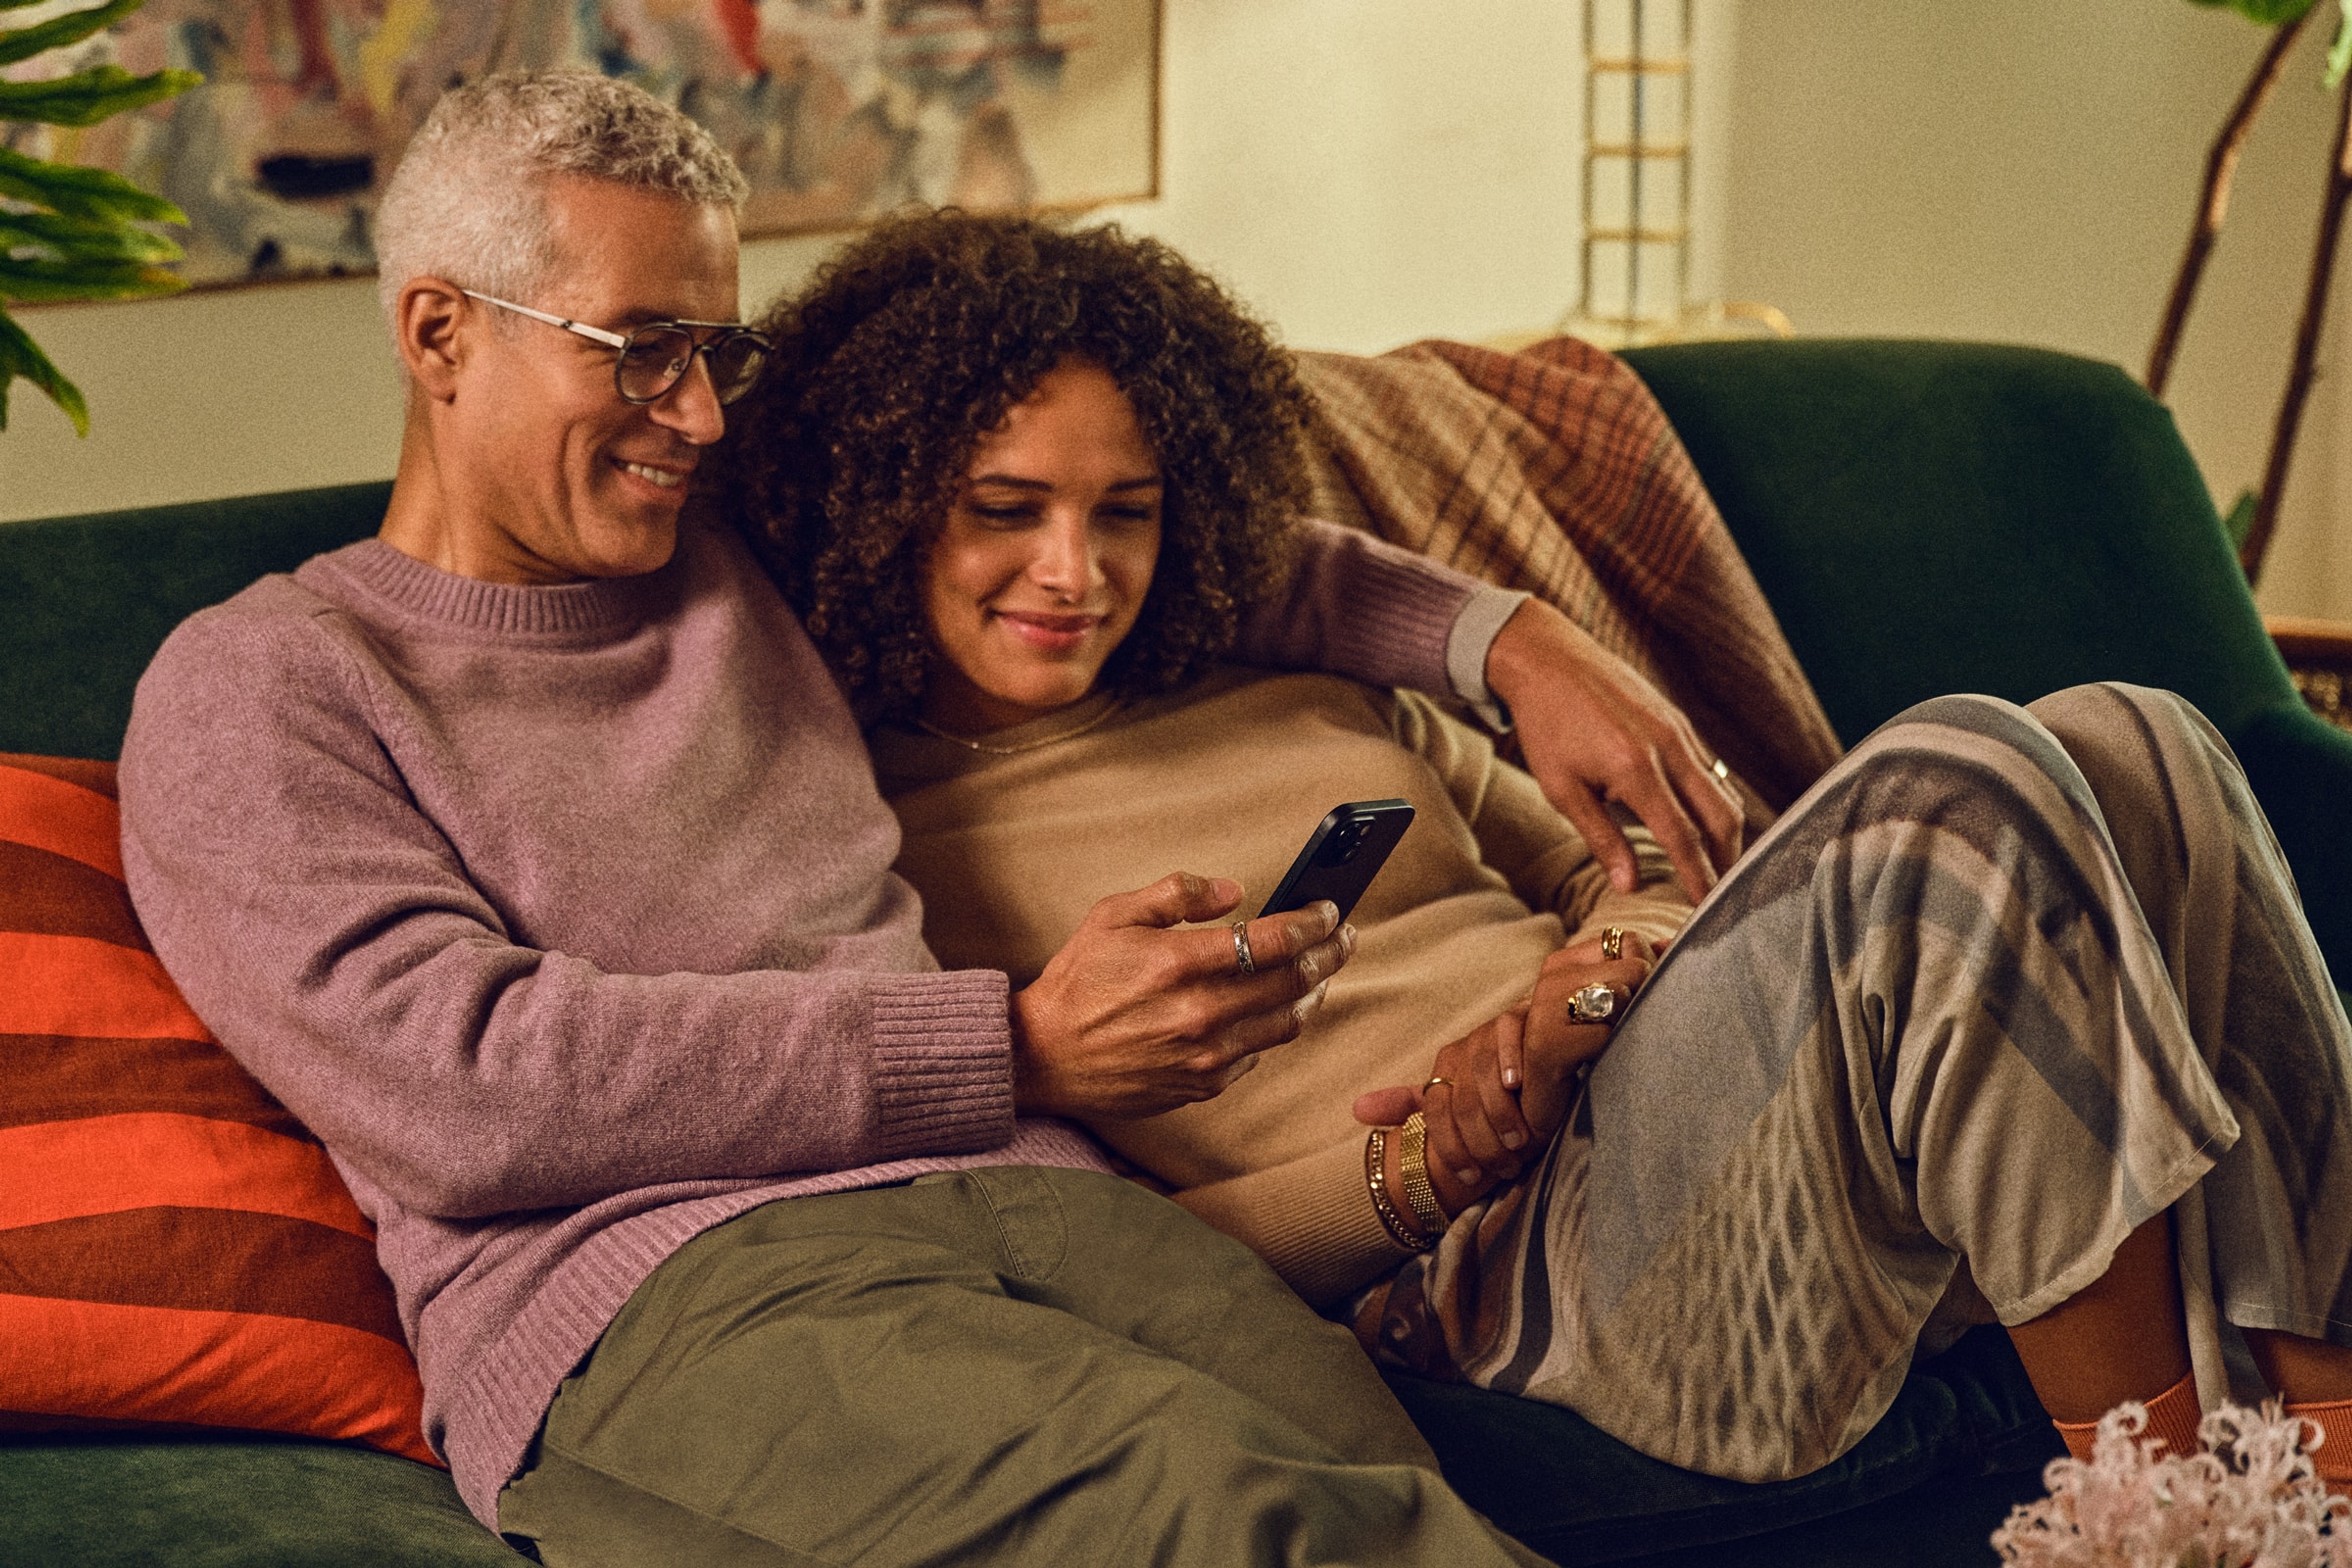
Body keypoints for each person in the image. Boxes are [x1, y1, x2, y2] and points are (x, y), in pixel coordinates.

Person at [111, 71, 1758, 1568]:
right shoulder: (266, 687)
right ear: (439, 334)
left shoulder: (730, 542)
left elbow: (1194, 553)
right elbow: (470, 1088)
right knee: (1226, 1517)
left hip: (1058, 1214)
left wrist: (1512, 645)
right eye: (640, 350)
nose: (696, 416)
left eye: (720, 351)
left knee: (1413, 1523)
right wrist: (1013, 1051)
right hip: (673, 1283)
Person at [723, 208, 2352, 1493]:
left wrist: (1604, 969)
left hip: (1682, 1109)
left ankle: (2326, 1456)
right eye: (1006, 509)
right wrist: (1424, 1164)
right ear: (884, 505)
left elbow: (1620, 873)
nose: (1074, 572)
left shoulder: (1310, 688)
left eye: (1124, 511)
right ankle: (2162, 1519)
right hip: (1499, 1276)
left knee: (2141, 735)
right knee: (1967, 778)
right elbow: (1104, 1247)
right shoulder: (887, 860)